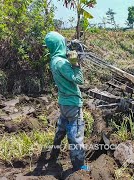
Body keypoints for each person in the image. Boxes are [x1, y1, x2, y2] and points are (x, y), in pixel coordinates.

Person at [44, 31, 88, 171]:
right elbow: (79, 80)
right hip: (73, 105)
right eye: (63, 42)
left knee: (61, 128)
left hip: (63, 102)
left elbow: (63, 56)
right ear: (59, 44)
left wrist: (70, 50)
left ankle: (54, 154)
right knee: (76, 136)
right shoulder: (63, 63)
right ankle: (79, 167)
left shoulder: (54, 59)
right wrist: (76, 64)